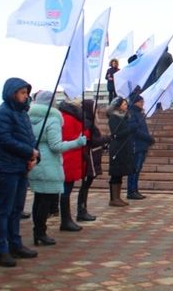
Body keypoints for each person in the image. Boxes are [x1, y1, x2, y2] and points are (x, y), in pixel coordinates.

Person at [27, 91, 85, 247]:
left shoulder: (30, 117)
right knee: (44, 201)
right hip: (49, 164)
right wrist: (77, 142)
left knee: (38, 199)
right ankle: (41, 232)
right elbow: (56, 146)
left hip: (36, 161)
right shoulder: (52, 119)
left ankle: (37, 232)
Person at [0, 77, 38, 268]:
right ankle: (1, 250)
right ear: (12, 93)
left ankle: (16, 244)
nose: (25, 97)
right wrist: (29, 152)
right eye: (22, 93)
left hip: (21, 166)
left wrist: (34, 155)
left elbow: (29, 137)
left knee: (17, 209)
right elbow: (5, 139)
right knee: (4, 209)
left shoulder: (22, 114)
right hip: (7, 167)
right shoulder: (3, 113)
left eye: (27, 93)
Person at [58, 100, 88, 232]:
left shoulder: (68, 116)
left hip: (71, 156)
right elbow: (71, 137)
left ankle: (67, 219)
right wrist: (84, 135)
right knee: (66, 190)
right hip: (69, 157)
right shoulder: (68, 118)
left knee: (66, 189)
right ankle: (66, 219)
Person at [78, 99, 110, 222]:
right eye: (95, 108)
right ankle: (81, 210)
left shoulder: (90, 122)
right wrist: (107, 138)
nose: (96, 111)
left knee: (86, 185)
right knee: (85, 185)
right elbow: (93, 140)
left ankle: (83, 209)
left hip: (93, 156)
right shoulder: (87, 123)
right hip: (89, 157)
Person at [127, 95, 155, 200]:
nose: (143, 103)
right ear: (136, 102)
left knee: (138, 169)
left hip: (142, 145)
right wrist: (148, 138)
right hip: (137, 145)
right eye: (141, 102)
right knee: (134, 168)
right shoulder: (132, 113)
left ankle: (135, 189)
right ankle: (131, 190)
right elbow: (134, 130)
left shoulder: (139, 113)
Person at [107, 97, 132, 206]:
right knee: (115, 173)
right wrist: (129, 130)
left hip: (124, 148)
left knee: (120, 173)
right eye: (124, 104)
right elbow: (116, 133)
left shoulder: (125, 117)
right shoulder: (114, 117)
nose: (126, 106)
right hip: (117, 148)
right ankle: (113, 198)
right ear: (118, 105)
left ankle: (118, 197)